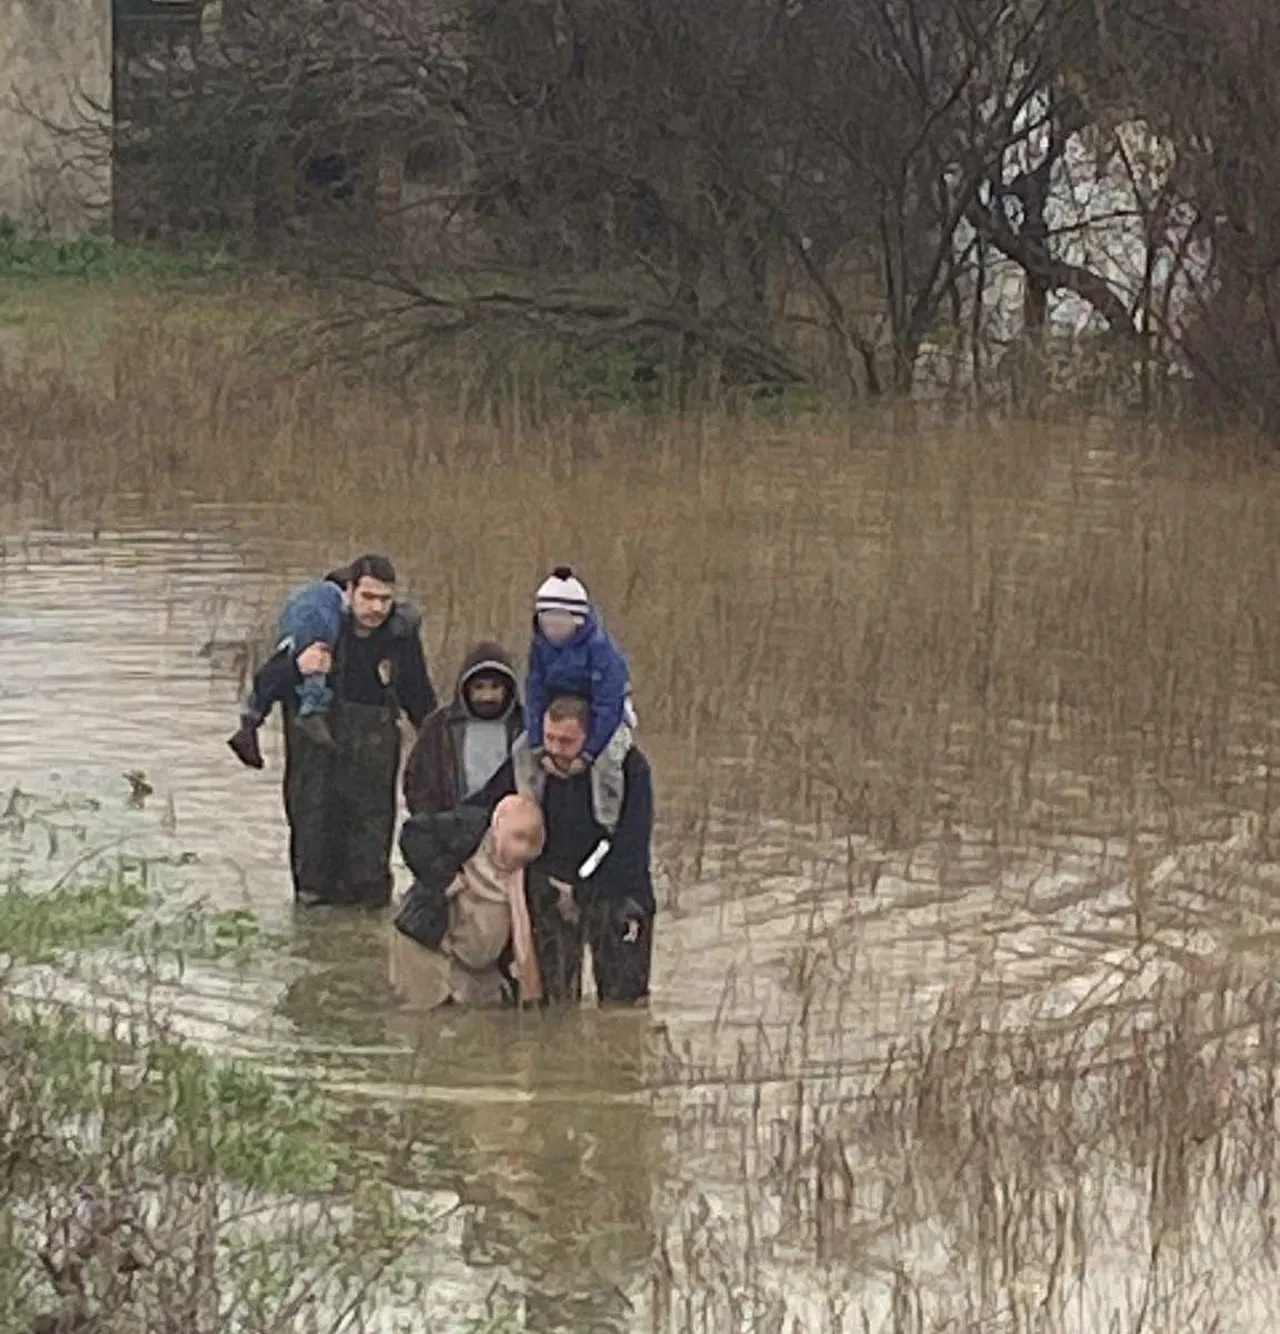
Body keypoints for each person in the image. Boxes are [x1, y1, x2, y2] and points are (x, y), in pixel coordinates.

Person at [241, 553, 438, 908]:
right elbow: (266, 683)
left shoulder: (400, 635)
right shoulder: (318, 623)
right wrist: (297, 667)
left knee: (370, 877)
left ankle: (366, 939)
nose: (377, 608)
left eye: (385, 599)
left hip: (372, 771)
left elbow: (419, 698)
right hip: (315, 769)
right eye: (368, 597)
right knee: (314, 871)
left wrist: (439, 747)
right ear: (349, 591)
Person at [470, 693, 655, 1007]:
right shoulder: (532, 761)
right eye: (550, 738)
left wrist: (581, 891)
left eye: (566, 742)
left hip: (616, 889)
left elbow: (632, 851)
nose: (555, 749)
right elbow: (484, 808)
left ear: (591, 738)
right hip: (551, 886)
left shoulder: (630, 768)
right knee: (554, 1005)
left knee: (624, 1007)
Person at [390, 795, 545, 1008]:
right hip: (428, 946)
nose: (524, 849)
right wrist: (445, 878)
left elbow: (526, 938)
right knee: (423, 1016)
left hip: (480, 969)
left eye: (532, 842)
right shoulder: (468, 828)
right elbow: (413, 833)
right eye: (518, 837)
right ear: (498, 827)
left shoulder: (530, 872)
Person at [523, 566, 635, 833]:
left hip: (604, 715)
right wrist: (538, 744)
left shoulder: (602, 651)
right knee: (520, 752)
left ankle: (608, 821)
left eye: (558, 623)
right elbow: (534, 693)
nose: (552, 630)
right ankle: (527, 811)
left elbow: (609, 704)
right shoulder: (540, 646)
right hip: (558, 714)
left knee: (608, 760)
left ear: (577, 621)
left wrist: (588, 753)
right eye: (546, 623)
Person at [226, 577, 348, 764]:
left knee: (286, 665)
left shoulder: (302, 602)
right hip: (315, 763)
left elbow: (267, 677)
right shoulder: (331, 606)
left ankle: (251, 721)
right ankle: (308, 711)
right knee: (312, 660)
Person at [401, 641, 523, 816]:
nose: (487, 696)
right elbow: (417, 779)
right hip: (450, 823)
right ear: (466, 688)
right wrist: (432, 820)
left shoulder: (523, 727)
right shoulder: (439, 726)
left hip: (510, 823)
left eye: (495, 687)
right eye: (479, 687)